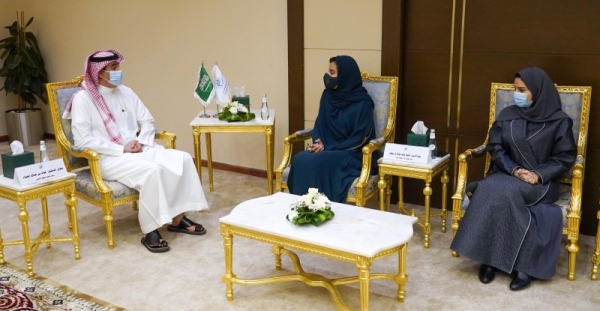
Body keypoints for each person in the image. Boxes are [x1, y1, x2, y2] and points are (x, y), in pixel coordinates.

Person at [64, 50, 209, 253]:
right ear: (99, 72)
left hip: (140, 149)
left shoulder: (126, 92)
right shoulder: (83, 99)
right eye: (114, 68)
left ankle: (177, 219)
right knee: (152, 171)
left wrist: (141, 141)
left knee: (183, 159)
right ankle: (149, 231)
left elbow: (147, 120)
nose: (119, 72)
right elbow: (82, 139)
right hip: (109, 158)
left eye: (118, 67)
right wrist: (121, 148)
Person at [450, 66, 577, 291]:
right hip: (509, 174)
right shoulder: (507, 115)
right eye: (514, 89)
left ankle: (517, 265)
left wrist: (537, 174)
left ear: (538, 91)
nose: (516, 94)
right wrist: (516, 170)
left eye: (522, 90)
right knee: (492, 188)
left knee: (494, 190)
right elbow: (496, 147)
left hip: (541, 183)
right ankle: (491, 260)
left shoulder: (559, 121)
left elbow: (565, 157)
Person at [287, 55, 378, 203]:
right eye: (328, 72)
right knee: (300, 159)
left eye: (332, 72)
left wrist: (329, 147)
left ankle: (321, 207)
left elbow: (360, 138)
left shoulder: (363, 103)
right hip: (326, 149)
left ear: (345, 76)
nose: (328, 76)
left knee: (319, 161)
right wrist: (319, 143)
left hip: (351, 153)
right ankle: (303, 207)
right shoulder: (328, 96)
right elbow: (320, 124)